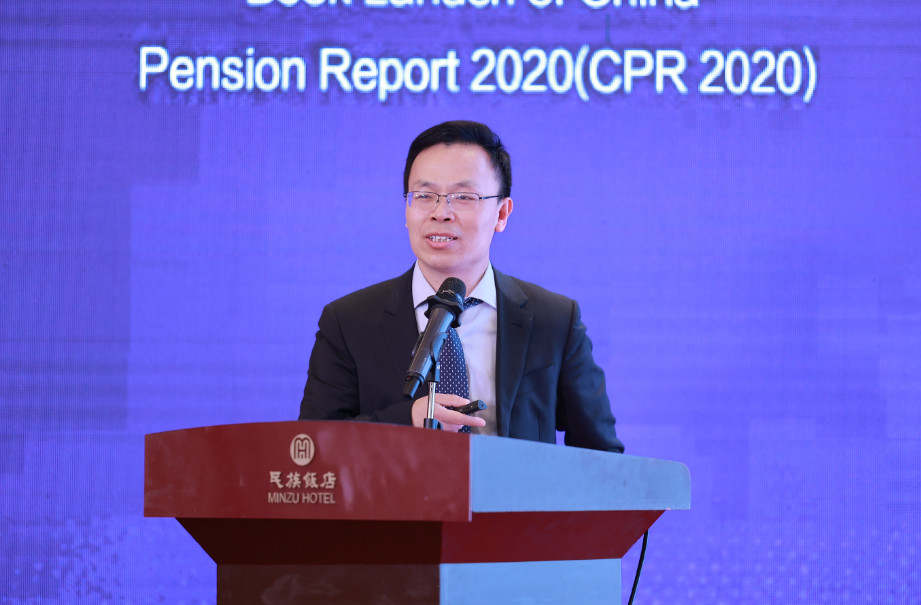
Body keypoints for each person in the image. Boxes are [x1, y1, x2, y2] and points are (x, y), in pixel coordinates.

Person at [299, 120, 624, 452]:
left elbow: (602, 456)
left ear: (502, 213)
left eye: (464, 197)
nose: (441, 213)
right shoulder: (348, 322)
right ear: (406, 208)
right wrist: (406, 420)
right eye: (424, 196)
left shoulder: (554, 320)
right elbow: (311, 446)